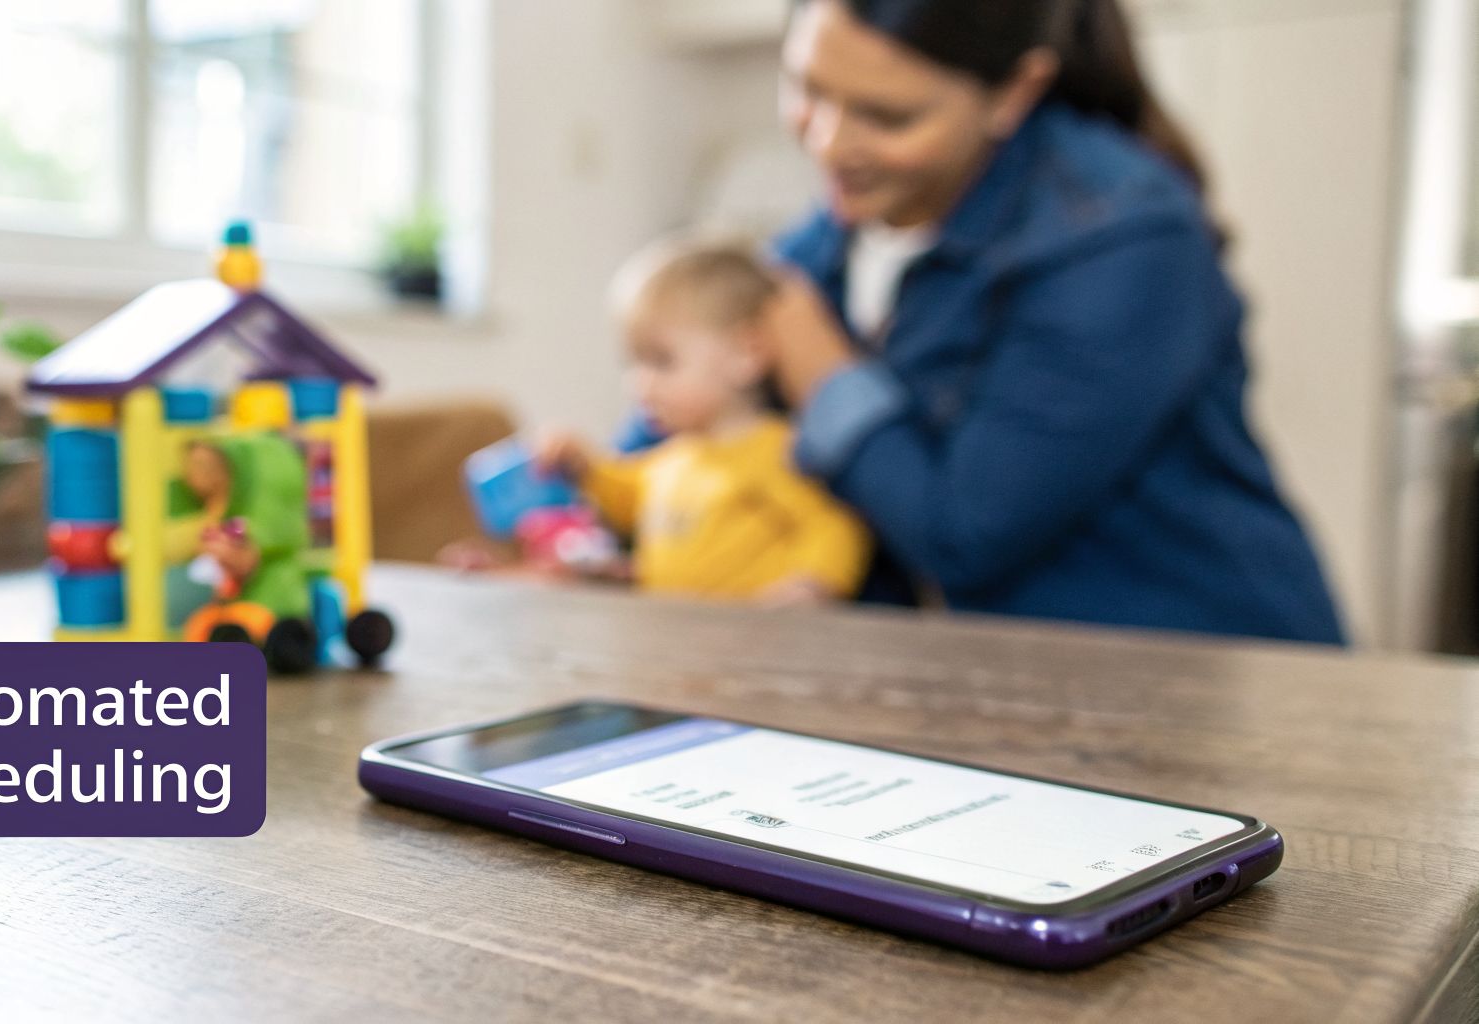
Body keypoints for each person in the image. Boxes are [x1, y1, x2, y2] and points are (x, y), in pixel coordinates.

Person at [749, 0, 1344, 642]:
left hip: (1204, 676)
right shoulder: (831, 237)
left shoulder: (1124, 236)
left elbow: (965, 536)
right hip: (993, 681)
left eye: (888, 116)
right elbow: (693, 405)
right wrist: (627, 521)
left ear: (1015, 92)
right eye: (808, 89)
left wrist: (825, 375)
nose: (829, 143)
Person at [536, 240, 872, 605]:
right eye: (634, 362)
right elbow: (628, 500)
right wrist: (585, 469)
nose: (640, 384)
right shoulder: (675, 456)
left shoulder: (775, 451)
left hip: (750, 644)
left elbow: (833, 528)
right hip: (674, 640)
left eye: (662, 361)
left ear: (747, 353)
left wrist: (810, 587)